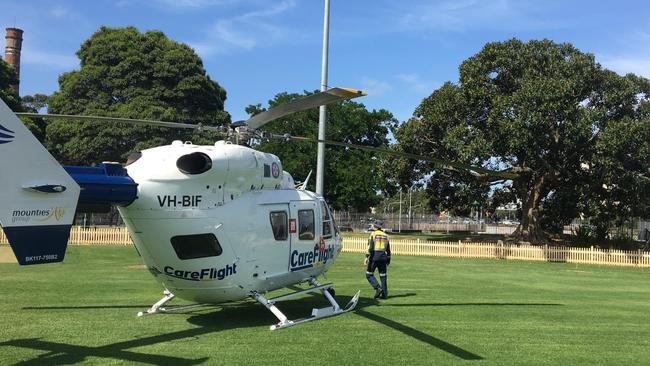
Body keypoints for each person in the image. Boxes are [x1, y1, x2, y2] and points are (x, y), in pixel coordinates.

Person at [364, 220, 391, 299]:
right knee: (383, 276)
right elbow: (388, 249)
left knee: (368, 274)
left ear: (375, 226)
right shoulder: (386, 235)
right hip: (383, 257)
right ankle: (384, 294)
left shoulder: (373, 234)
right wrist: (388, 259)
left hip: (374, 256)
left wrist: (366, 257)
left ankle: (378, 288)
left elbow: (370, 246)